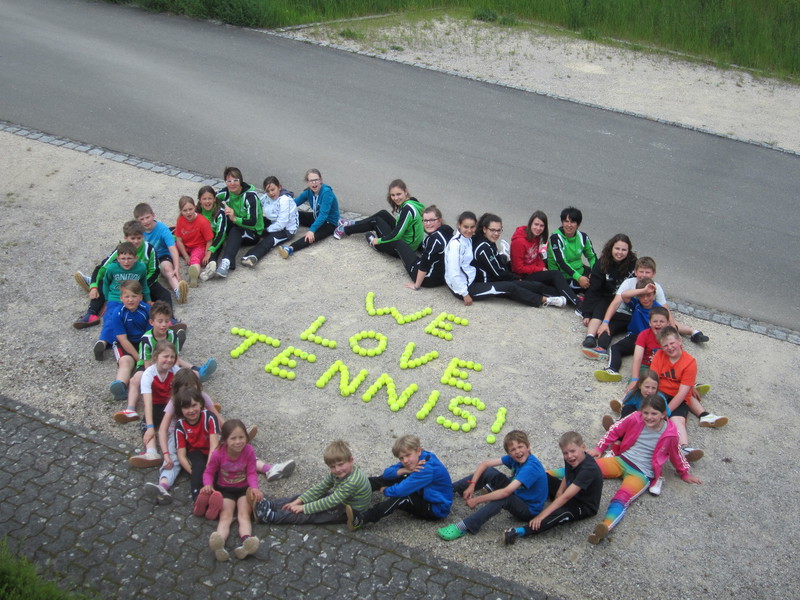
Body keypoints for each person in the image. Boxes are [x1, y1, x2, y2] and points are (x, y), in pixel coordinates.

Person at [586, 394, 702, 544]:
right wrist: (599, 448)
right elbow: (615, 429)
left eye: (654, 413)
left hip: (642, 473)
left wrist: (684, 473)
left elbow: (676, 454)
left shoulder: (671, 433)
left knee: (622, 498)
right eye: (645, 413)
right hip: (622, 460)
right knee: (587, 468)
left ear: (663, 414)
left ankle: (604, 527)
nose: (649, 417)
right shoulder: (635, 417)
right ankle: (554, 477)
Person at [112, 300, 216, 424]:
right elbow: (146, 363)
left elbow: (175, 359)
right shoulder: (146, 339)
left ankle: (201, 403)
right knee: (135, 379)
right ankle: (131, 409)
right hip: (150, 367)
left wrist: (175, 375)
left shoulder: (173, 335)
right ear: (152, 322)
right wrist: (158, 376)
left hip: (169, 364)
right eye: (160, 321)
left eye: (167, 321)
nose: (163, 325)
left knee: (189, 377)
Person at [437, 430, 547, 541]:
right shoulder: (514, 458)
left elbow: (505, 493)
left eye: (520, 447)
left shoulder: (531, 467)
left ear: (528, 446)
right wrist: (472, 485)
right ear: (509, 453)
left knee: (504, 498)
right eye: (513, 449)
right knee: (489, 471)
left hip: (528, 509)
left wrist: (477, 500)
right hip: (517, 492)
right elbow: (485, 464)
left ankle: (464, 526)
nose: (518, 452)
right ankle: (450, 490)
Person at [502, 431, 602, 544]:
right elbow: (568, 474)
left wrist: (541, 516)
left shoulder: (588, 470)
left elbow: (565, 497)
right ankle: (513, 487)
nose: (569, 456)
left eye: (572, 451)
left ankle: (520, 531)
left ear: (583, 447)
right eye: (565, 453)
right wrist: (559, 491)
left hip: (583, 505)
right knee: (543, 476)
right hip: (571, 489)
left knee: (561, 513)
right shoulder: (572, 458)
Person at [143, 369, 222, 505]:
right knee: (173, 459)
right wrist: (166, 453)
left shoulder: (202, 397)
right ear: (176, 390)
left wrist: (231, 431)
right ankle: (163, 485)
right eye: (184, 388)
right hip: (179, 434)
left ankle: (254, 463)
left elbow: (216, 417)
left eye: (192, 387)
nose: (188, 392)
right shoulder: (174, 402)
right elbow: (163, 429)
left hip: (200, 432)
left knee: (225, 448)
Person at [249, 440, 371, 526]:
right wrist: (298, 501)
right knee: (301, 497)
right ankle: (270, 504)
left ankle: (270, 516)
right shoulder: (338, 473)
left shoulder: (353, 481)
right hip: (340, 499)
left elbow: (329, 502)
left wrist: (303, 507)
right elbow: (320, 488)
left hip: (349, 511)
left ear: (351, 460)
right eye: (333, 467)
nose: (337, 469)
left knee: (309, 514)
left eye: (340, 464)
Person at [650, 327, 728, 457]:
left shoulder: (689, 363)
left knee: (678, 420)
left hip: (678, 397)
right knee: (648, 413)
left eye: (672, 343)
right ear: (661, 347)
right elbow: (653, 380)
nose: (669, 347)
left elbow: (682, 393)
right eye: (665, 346)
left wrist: (666, 411)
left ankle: (683, 447)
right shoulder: (659, 356)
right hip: (660, 393)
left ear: (680, 341)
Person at [345, 435, 452, 529]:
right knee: (391, 477)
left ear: (418, 451)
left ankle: (361, 519)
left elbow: (400, 491)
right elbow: (386, 474)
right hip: (422, 492)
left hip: (435, 508)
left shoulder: (425, 468)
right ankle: (351, 488)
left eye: (408, 455)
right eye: (401, 458)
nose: (405, 460)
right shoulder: (415, 459)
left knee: (403, 497)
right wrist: (405, 470)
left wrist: (386, 490)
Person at [73, 220, 162, 328]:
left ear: (143, 236)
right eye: (132, 238)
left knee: (162, 292)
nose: (136, 241)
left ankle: (169, 318)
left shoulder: (149, 249)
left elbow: (155, 270)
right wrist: (94, 287)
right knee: (101, 285)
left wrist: (138, 286)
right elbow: (101, 268)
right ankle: (91, 313)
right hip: (118, 283)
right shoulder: (121, 251)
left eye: (138, 238)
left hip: (140, 280)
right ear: (126, 238)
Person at [471, 213, 568, 307]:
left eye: (498, 230)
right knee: (515, 287)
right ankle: (546, 300)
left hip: (493, 272)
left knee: (507, 263)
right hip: (485, 282)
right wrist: (516, 278)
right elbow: (499, 274)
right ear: (484, 229)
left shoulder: (488, 241)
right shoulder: (484, 248)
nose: (496, 234)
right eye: (492, 230)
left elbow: (498, 268)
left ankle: (504, 254)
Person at [199, 419, 263, 561]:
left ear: (246, 437)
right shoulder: (218, 453)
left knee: (244, 515)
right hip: (225, 489)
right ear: (225, 440)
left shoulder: (249, 451)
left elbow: (251, 472)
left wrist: (254, 488)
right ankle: (219, 544)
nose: (238, 442)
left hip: (243, 489)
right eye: (233, 438)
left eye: (241, 437)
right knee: (226, 516)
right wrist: (208, 484)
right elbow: (209, 472)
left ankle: (246, 543)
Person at [585, 278, 666, 373]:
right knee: (615, 348)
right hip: (635, 336)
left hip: (651, 338)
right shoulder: (636, 304)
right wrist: (644, 290)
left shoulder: (658, 309)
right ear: (637, 296)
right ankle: (613, 370)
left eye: (648, 295)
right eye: (641, 296)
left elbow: (664, 326)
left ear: (654, 294)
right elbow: (624, 295)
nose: (645, 299)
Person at [91, 242, 150, 362]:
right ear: (118, 258)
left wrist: (148, 299)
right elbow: (106, 283)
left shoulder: (141, 268)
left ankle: (145, 337)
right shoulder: (112, 268)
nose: (126, 262)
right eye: (123, 258)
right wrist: (107, 299)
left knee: (143, 315)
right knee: (111, 317)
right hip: (116, 297)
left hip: (134, 297)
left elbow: (144, 284)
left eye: (129, 258)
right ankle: (103, 342)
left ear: (136, 258)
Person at [335, 179, 424, 257]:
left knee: (375, 221)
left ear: (405, 191)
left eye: (398, 194)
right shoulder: (412, 201)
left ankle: (345, 230)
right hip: (409, 241)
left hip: (403, 248)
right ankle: (352, 223)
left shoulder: (407, 210)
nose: (396, 198)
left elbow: (397, 235)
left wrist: (379, 241)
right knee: (383, 213)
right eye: (393, 195)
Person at [509, 210, 579, 304]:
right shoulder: (519, 242)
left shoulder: (536, 236)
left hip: (532, 268)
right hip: (523, 275)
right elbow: (518, 268)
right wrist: (540, 269)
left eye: (542, 226)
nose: (538, 228)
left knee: (552, 266)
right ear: (530, 224)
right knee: (555, 274)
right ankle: (575, 301)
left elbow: (536, 256)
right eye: (536, 224)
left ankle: (571, 290)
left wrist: (542, 266)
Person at [128, 341, 180, 468]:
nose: (169, 360)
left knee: (177, 425)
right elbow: (147, 403)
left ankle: (176, 450)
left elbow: (186, 390)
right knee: (145, 425)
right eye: (165, 356)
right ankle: (152, 452)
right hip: (155, 406)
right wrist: (150, 427)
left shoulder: (176, 371)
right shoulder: (148, 374)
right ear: (156, 357)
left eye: (172, 357)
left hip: (172, 404)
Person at [580, 233, 637, 346]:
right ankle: (590, 337)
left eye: (624, 250)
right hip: (607, 297)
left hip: (626, 299)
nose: (620, 252)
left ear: (629, 250)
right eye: (617, 248)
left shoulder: (633, 263)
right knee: (599, 310)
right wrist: (587, 313)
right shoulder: (602, 264)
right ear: (611, 248)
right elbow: (593, 290)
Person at [208, 167, 264, 279]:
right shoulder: (226, 192)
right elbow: (210, 198)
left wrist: (234, 219)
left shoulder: (250, 197)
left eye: (235, 180)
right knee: (220, 227)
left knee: (235, 231)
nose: (232, 184)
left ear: (240, 180)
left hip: (253, 232)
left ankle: (227, 261)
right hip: (237, 225)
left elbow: (253, 222)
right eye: (229, 181)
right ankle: (212, 261)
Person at [594, 306, 670, 384]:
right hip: (646, 366)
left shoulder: (671, 337)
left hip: (664, 366)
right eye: (655, 321)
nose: (658, 324)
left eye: (662, 321)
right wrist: (634, 379)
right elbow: (637, 357)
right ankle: (613, 369)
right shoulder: (644, 335)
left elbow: (675, 356)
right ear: (650, 323)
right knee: (638, 383)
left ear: (668, 323)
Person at [278, 169, 340, 258]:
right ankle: (272, 225)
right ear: (307, 182)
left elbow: (323, 215)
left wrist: (312, 230)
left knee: (311, 236)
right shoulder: (308, 192)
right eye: (311, 181)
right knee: (296, 214)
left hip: (329, 223)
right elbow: (293, 204)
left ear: (321, 180)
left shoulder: (327, 193)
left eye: (316, 180)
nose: (314, 183)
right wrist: (280, 211)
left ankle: (290, 248)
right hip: (316, 217)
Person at [240, 175, 298, 267]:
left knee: (269, 240)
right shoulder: (266, 197)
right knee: (254, 223)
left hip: (286, 230)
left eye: (273, 189)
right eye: (268, 191)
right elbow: (257, 205)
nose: (271, 193)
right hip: (273, 222)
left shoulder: (285, 200)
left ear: (279, 187)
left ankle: (252, 256)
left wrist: (266, 230)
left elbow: (281, 224)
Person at [175, 387, 220, 505]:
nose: (191, 410)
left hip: (211, 450)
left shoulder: (210, 417)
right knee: (198, 466)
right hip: (194, 452)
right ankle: (197, 499)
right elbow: (181, 455)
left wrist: (209, 470)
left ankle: (215, 496)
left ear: (200, 403)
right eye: (186, 407)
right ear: (180, 409)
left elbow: (214, 446)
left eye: (194, 405)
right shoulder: (180, 425)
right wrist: (195, 473)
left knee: (218, 470)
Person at [133, 202, 186, 303]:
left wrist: (176, 268)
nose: (145, 221)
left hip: (161, 256)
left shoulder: (162, 229)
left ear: (153, 215)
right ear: (137, 221)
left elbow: (172, 249)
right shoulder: (137, 232)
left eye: (147, 217)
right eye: (141, 219)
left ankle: (178, 290)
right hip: (145, 258)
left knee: (168, 270)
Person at [106, 280, 150, 402]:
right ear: (121, 298)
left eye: (134, 296)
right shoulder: (118, 313)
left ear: (140, 297)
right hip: (124, 343)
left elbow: (149, 335)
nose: (130, 300)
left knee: (148, 359)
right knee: (125, 362)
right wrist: (138, 358)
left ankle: (140, 377)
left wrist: (144, 354)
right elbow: (122, 339)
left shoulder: (146, 310)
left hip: (142, 341)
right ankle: (120, 385)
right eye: (127, 296)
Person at [397, 205, 453, 289]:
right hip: (443, 275)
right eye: (425, 221)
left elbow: (424, 264)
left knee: (399, 243)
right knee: (422, 247)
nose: (428, 223)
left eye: (432, 220)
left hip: (429, 279)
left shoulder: (434, 240)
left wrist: (416, 286)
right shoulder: (447, 230)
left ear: (439, 221)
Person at [546, 206, 597, 292]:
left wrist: (594, 272)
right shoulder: (555, 238)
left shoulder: (583, 237)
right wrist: (579, 278)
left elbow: (592, 257)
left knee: (602, 279)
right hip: (563, 276)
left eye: (572, 222)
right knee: (593, 289)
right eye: (566, 221)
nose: (569, 225)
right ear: (562, 223)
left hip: (579, 272)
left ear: (578, 225)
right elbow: (561, 262)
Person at [174, 195, 212, 289]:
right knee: (171, 247)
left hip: (198, 247)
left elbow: (209, 240)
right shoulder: (180, 220)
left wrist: (206, 254)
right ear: (181, 211)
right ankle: (167, 266)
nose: (188, 212)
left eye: (190, 209)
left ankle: (194, 275)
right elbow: (179, 240)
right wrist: (186, 256)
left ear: (195, 207)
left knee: (195, 259)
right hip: (185, 245)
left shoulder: (203, 221)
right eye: (185, 210)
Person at [197, 185, 226, 280]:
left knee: (215, 246)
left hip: (214, 237)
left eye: (210, 198)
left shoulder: (220, 213)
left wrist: (210, 251)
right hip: (201, 237)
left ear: (214, 199)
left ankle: (212, 265)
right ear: (199, 200)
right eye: (204, 199)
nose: (207, 201)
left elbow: (221, 235)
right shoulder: (197, 211)